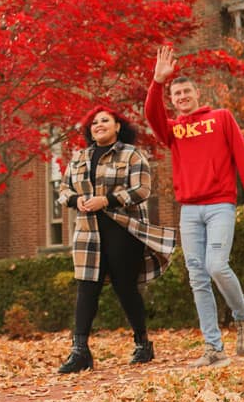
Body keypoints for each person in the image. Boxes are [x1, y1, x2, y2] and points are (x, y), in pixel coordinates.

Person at [144, 45, 244, 368]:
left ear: (197, 93)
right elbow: (152, 116)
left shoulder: (221, 118)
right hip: (189, 211)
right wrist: (157, 82)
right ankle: (213, 348)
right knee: (197, 276)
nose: (181, 96)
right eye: (176, 93)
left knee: (217, 265)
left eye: (186, 91)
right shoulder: (174, 130)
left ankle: (243, 316)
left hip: (220, 204)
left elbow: (243, 156)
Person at [57, 105, 177, 373]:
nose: (98, 125)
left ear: (118, 126)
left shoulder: (132, 154)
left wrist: (107, 200)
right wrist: (78, 199)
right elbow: (63, 190)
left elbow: (142, 189)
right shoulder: (79, 158)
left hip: (122, 230)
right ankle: (80, 351)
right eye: (94, 123)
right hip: (88, 232)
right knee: (86, 288)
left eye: (104, 121)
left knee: (125, 287)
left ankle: (142, 343)